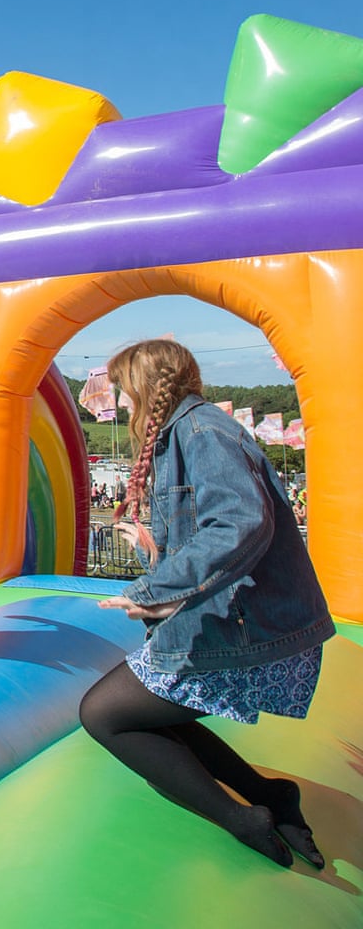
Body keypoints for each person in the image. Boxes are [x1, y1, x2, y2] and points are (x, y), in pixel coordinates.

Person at [79, 340, 333, 868]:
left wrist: (154, 591)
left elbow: (239, 524)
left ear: (147, 388)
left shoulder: (203, 432)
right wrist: (156, 550)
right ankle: (269, 795)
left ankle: (244, 818)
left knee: (104, 715)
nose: (122, 405)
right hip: (243, 622)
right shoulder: (188, 434)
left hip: (256, 632)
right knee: (149, 710)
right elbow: (215, 530)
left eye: (125, 393)